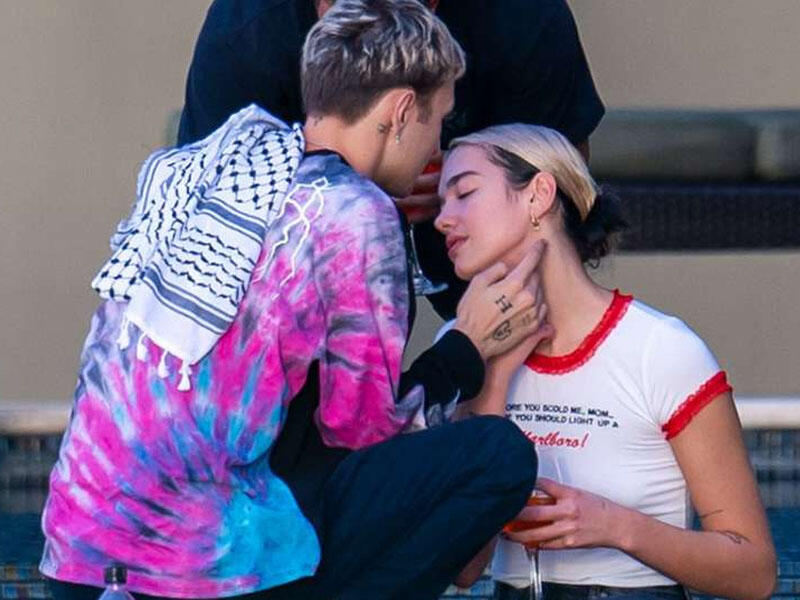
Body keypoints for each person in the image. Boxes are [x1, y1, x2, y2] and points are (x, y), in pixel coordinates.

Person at [39, 4, 552, 600]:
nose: (436, 147)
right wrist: (466, 348)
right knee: (497, 456)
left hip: (74, 559)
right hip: (203, 570)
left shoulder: (212, 170)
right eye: (439, 119)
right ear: (400, 112)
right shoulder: (353, 210)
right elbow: (365, 429)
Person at [433, 124, 777, 600]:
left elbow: (754, 573)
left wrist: (613, 525)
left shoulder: (660, 349)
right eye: (440, 203)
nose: (441, 220)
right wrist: (491, 383)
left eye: (464, 193)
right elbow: (464, 569)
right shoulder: (459, 346)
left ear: (538, 195)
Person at [176, 0, 605, 319]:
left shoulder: (524, 15)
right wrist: (342, 193)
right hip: (286, 277)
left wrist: (471, 185)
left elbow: (565, 173)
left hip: (491, 272)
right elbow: (206, 208)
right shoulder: (247, 31)